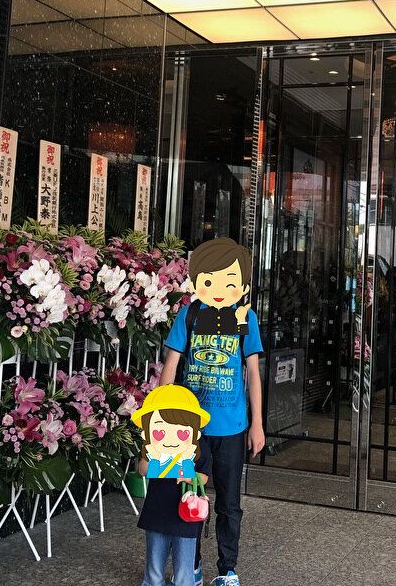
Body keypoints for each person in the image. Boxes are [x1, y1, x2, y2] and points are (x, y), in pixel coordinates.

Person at [161, 238, 264, 586]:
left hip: (232, 427)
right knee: (188, 496)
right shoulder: (189, 314)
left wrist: (257, 424)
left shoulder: (245, 317)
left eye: (228, 281)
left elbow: (253, 373)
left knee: (229, 504)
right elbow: (171, 365)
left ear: (242, 285)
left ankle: (227, 570)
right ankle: (191, 565)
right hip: (189, 429)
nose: (219, 289)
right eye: (210, 280)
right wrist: (161, 415)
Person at [133, 385, 212, 586]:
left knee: (184, 564)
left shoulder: (199, 446)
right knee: (154, 559)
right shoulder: (151, 445)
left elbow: (204, 478)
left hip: (186, 513)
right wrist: (154, 456)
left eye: (182, 432)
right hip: (157, 510)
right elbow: (142, 469)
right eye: (160, 431)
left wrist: (186, 475)